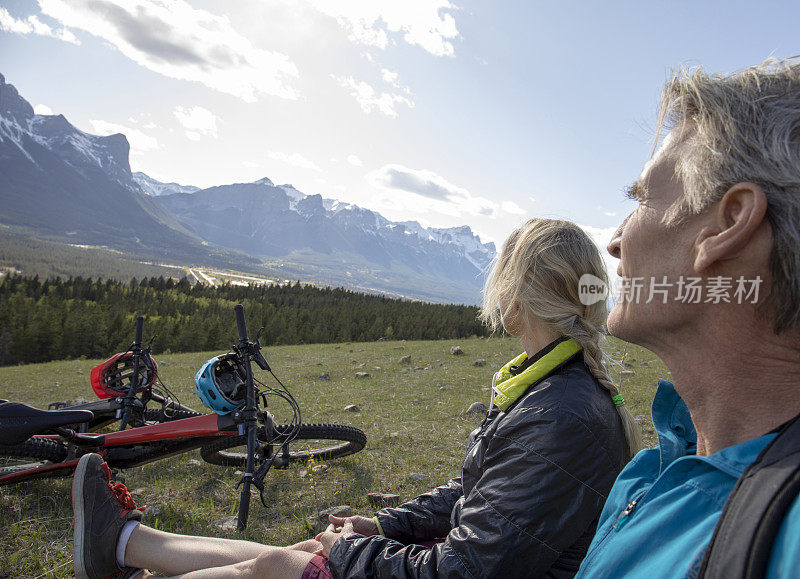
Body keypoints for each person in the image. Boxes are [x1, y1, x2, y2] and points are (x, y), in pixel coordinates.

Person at [72, 218, 640, 578]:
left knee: (279, 565)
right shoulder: (550, 391)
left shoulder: (559, 416)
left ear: (517, 301)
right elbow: (478, 498)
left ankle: (124, 545)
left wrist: (347, 553)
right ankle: (126, 543)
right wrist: (381, 527)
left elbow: (468, 569)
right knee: (296, 551)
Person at [572, 58, 800, 578]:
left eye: (643, 198)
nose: (614, 242)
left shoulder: (785, 539)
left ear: (730, 223)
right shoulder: (662, 462)